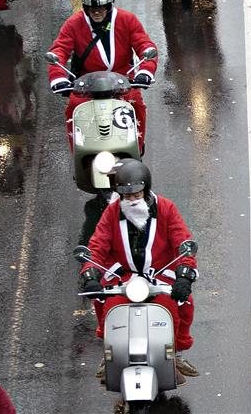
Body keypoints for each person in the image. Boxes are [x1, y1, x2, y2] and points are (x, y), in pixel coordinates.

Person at [79, 159, 199, 383]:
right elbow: (97, 246)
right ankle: (110, 353)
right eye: (126, 195)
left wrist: (184, 274)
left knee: (181, 303)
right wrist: (90, 273)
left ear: (147, 190)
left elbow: (183, 241)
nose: (132, 200)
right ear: (119, 194)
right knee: (105, 303)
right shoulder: (112, 213)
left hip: (160, 273)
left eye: (137, 194)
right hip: (123, 276)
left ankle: (177, 353)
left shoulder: (166, 208)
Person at [47, 0, 158, 153]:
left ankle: (136, 146)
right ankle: (79, 153)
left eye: (102, 6)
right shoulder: (74, 23)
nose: (97, 11)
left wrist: (145, 72)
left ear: (109, 5)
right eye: (92, 7)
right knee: (73, 108)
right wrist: (58, 77)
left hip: (123, 81)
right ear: (85, 7)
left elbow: (146, 46)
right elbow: (59, 50)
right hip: (87, 85)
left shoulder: (127, 19)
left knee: (135, 104)